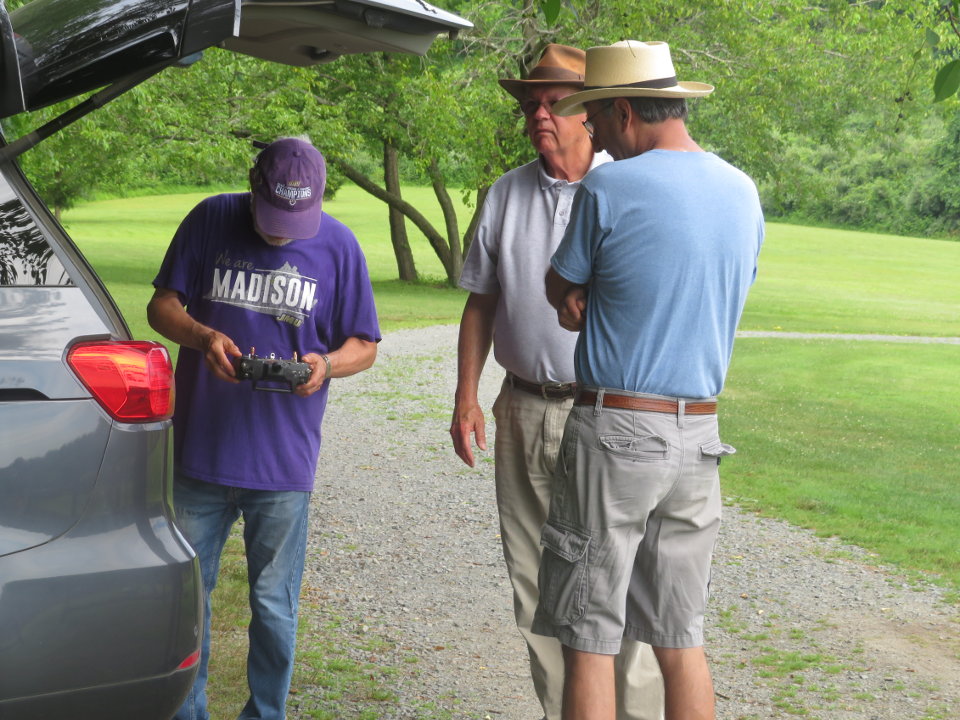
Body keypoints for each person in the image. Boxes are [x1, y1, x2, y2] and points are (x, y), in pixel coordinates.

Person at [532, 41, 764, 720]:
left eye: (597, 121)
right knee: (679, 636)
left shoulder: (609, 187)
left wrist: (583, 298)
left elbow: (560, 286)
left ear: (626, 110)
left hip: (617, 432)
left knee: (590, 636)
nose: (596, 138)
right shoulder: (741, 190)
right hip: (700, 435)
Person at [450, 44, 663, 720]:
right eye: (529, 105)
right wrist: (465, 398)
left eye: (552, 103)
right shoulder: (506, 194)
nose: (538, 115)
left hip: (605, 412)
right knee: (535, 586)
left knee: (620, 582)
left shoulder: (629, 186)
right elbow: (480, 300)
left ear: (588, 113)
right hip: (520, 407)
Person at [147, 136, 380, 720]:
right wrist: (203, 339)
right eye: (273, 217)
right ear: (252, 184)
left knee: (275, 605)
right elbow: (161, 306)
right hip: (200, 455)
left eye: (295, 222)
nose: (280, 233)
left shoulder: (341, 246)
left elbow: (366, 346)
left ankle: (266, 714)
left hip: (283, 464)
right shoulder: (209, 218)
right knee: (185, 603)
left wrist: (325, 366)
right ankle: (187, 712)